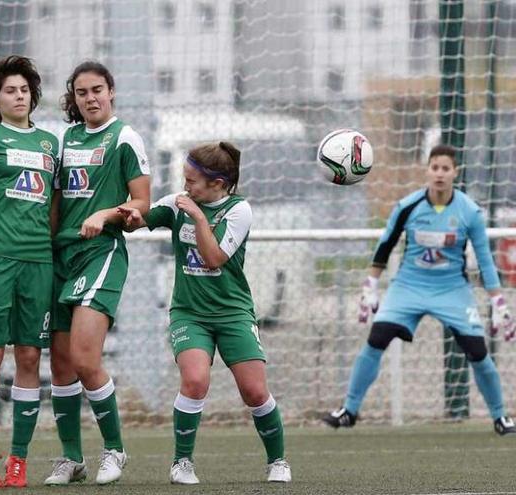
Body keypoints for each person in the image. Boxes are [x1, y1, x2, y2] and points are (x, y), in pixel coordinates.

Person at [118, 142, 292, 485]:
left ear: (218, 183)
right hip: (189, 313)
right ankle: (181, 463)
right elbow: (139, 220)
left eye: (193, 180)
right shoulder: (177, 204)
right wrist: (134, 217)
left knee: (254, 392)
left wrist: (198, 216)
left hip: (233, 313)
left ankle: (278, 461)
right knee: (195, 381)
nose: (185, 186)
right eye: (184, 179)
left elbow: (213, 258)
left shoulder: (239, 211)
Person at [322, 144, 516, 435]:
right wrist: (371, 284)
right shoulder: (407, 206)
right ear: (427, 170)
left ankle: (500, 417)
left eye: (445, 168)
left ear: (455, 172)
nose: (439, 173)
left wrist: (498, 302)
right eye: (434, 167)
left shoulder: (470, 212)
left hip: (453, 289)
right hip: (409, 286)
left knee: (477, 351)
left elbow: (486, 261)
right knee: (377, 337)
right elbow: (385, 246)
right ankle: (349, 410)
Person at [44, 61, 151, 486]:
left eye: (97, 90)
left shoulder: (124, 137)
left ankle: (115, 450)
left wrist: (106, 214)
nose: (90, 98)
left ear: (111, 93)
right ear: (74, 98)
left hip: (100, 253)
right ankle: (72, 458)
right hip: (60, 257)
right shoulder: (64, 139)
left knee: (86, 359)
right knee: (62, 366)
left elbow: (141, 204)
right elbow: (54, 205)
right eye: (82, 92)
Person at [0, 55, 59, 488]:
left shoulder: (50, 143)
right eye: (10, 91)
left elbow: (55, 207)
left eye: (24, 90)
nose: (19, 96)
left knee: (29, 356)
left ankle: (19, 459)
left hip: (38, 261)